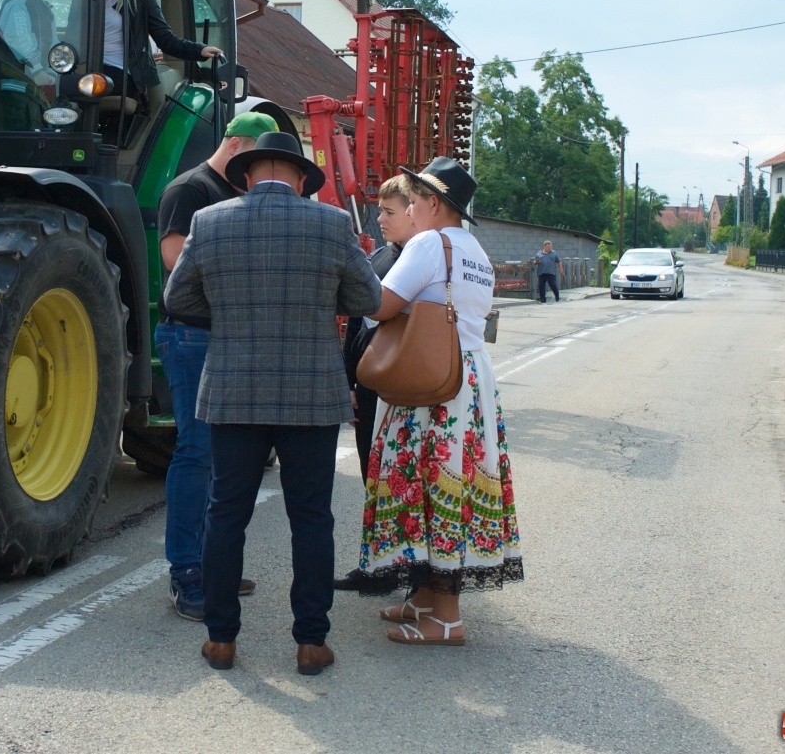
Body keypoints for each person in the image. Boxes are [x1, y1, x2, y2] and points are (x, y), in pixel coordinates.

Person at [163, 131, 381, 676]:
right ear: (302, 179)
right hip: (312, 393)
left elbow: (177, 297)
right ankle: (310, 642)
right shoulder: (333, 224)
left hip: (233, 389)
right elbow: (367, 298)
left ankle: (221, 640)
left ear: (247, 176)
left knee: (225, 514)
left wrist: (230, 314)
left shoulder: (209, 221)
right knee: (311, 518)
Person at [358, 157, 522, 647]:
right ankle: (428, 599)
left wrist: (349, 273)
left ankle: (446, 618)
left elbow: (381, 304)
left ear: (432, 203)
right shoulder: (474, 250)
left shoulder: (430, 243)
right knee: (451, 480)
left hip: (430, 379)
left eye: (412, 201)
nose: (408, 210)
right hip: (466, 376)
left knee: (433, 485)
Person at [157, 111, 280, 620]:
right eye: (253, 160)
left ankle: (212, 563)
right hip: (192, 335)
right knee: (197, 451)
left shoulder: (232, 193)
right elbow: (173, 260)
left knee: (223, 455)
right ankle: (186, 573)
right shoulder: (190, 190)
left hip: (226, 335)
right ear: (234, 145)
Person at [335, 172, 419, 596]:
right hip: (369, 384)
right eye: (380, 211)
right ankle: (378, 566)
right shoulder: (382, 257)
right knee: (374, 476)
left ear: (414, 212)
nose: (380, 219)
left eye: (388, 212)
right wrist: (348, 380)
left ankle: (410, 571)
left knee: (402, 481)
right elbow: (355, 321)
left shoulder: (421, 260)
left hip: (401, 386)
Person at [64, 0, 223, 105]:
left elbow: (165, 38)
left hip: (125, 73)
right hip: (91, 68)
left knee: (98, 86)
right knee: (66, 86)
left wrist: (199, 50)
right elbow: (71, 41)